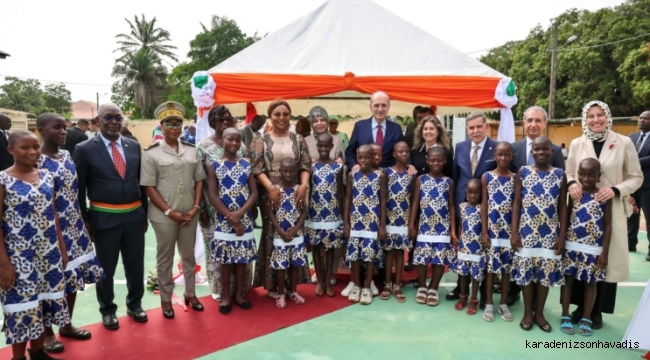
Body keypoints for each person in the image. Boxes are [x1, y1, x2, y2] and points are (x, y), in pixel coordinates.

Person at [565, 100, 642, 329]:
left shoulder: (624, 142)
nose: (596, 119)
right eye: (591, 116)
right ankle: (580, 307)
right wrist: (571, 184)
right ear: (584, 119)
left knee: (605, 260)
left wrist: (615, 190)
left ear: (608, 117)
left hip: (611, 210)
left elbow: (636, 176)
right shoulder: (578, 143)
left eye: (600, 115)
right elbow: (569, 172)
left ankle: (597, 311)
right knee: (581, 258)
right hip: (582, 213)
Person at [73, 103, 149, 330]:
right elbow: (80, 188)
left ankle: (135, 304)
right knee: (105, 268)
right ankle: (107, 309)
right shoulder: (84, 148)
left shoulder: (134, 146)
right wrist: (85, 220)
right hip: (104, 218)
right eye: (108, 118)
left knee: (135, 266)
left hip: (134, 216)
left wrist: (143, 212)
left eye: (118, 118)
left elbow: (140, 183)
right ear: (98, 121)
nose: (114, 122)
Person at [37, 113, 104, 353]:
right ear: (41, 130)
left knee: (73, 277)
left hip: (74, 225)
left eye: (64, 127)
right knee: (50, 281)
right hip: (49, 231)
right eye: (57, 128)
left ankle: (65, 324)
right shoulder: (36, 160)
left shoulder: (66, 155)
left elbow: (75, 191)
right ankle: (46, 334)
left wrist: (84, 220)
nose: (63, 131)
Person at [0, 130, 70, 360]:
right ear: (11, 150)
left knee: (44, 304)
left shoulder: (46, 176)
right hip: (19, 256)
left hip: (48, 254)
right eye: (25, 147)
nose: (32, 152)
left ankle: (38, 353)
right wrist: (4, 265)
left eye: (35, 147)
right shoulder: (3, 179)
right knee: (22, 307)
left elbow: (54, 216)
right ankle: (18, 358)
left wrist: (61, 249)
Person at [140, 101, 206, 319]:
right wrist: (170, 212)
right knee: (165, 258)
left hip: (189, 213)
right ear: (162, 126)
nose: (174, 127)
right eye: (169, 123)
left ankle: (191, 294)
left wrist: (196, 207)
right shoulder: (151, 154)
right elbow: (149, 187)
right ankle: (166, 299)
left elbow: (199, 181)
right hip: (164, 215)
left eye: (178, 122)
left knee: (188, 256)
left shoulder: (191, 150)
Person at [250, 100, 312, 298]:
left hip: (294, 191)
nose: (281, 118)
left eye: (285, 114)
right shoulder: (260, 139)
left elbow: (306, 165)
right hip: (271, 194)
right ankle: (272, 285)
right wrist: (270, 188)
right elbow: (257, 167)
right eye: (277, 114)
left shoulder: (298, 139)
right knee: (272, 234)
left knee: (293, 231)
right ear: (270, 116)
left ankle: (292, 286)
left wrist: (303, 186)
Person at [508, 106, 566, 305]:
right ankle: (514, 292)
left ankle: (537, 308)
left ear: (544, 124)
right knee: (522, 258)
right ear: (523, 123)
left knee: (543, 264)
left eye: (538, 120)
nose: (533, 124)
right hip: (522, 220)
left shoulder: (556, 151)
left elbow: (560, 193)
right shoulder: (512, 149)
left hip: (548, 225)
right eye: (529, 120)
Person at [511, 136, 567, 332]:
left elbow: (562, 206)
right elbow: (517, 203)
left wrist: (561, 236)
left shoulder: (560, 174)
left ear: (552, 152)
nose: (541, 152)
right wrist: (514, 232)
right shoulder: (523, 172)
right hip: (526, 232)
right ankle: (528, 312)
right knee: (526, 273)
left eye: (545, 149)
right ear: (531, 151)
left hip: (550, 233)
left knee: (545, 274)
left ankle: (540, 313)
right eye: (537, 149)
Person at [197, 105, 251, 301]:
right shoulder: (203, 147)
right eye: (222, 120)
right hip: (214, 211)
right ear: (213, 123)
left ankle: (240, 291)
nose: (226, 123)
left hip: (241, 209)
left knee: (240, 249)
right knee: (218, 253)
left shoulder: (242, 146)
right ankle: (222, 292)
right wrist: (201, 208)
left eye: (229, 119)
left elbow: (247, 178)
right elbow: (199, 180)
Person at [206, 128, 258, 314]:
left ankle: (239, 295)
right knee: (226, 260)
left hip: (244, 218)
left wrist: (241, 214)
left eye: (238, 140)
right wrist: (231, 217)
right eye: (230, 139)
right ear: (223, 140)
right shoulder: (214, 165)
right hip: (223, 218)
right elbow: (213, 196)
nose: (234, 143)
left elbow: (253, 193)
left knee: (242, 258)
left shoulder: (246, 164)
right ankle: (226, 296)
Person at [560, 158, 612, 336]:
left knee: (591, 283)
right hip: (571, 246)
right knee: (568, 281)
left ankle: (587, 317)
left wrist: (604, 253)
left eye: (591, 175)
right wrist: (562, 241)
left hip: (593, 250)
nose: (586, 178)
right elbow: (566, 219)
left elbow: (607, 225)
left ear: (599, 177)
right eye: (582, 174)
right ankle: (565, 314)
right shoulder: (574, 194)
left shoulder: (603, 196)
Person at [449, 112, 497, 301]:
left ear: (486, 126)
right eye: (471, 128)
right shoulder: (460, 147)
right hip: (464, 206)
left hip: (486, 209)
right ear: (467, 129)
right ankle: (461, 288)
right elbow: (456, 176)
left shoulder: (496, 148)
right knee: (463, 249)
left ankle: (484, 290)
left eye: (479, 126)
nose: (475, 131)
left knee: (483, 249)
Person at [409, 146, 457, 306]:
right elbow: (415, 202)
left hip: (442, 227)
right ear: (427, 161)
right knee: (422, 258)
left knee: (439, 259)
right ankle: (422, 287)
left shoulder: (448, 181)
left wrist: (452, 230)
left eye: (439, 160)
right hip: (424, 226)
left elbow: (451, 206)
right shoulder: (421, 179)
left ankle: (433, 288)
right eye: (432, 160)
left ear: (444, 161)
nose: (436, 163)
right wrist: (411, 224)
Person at [343, 145, 386, 305]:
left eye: (366, 157)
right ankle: (357, 285)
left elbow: (382, 200)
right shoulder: (352, 175)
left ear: (372, 158)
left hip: (372, 223)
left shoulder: (379, 176)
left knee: (369, 256)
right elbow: (348, 199)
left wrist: (382, 225)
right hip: (356, 222)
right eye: (360, 157)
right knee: (355, 255)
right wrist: (346, 222)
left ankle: (367, 286)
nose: (363, 160)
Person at [305, 132, 344, 297]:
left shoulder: (338, 167)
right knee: (316, 247)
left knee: (330, 248)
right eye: (319, 145)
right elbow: (310, 189)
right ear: (316, 146)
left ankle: (328, 280)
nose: (322, 148)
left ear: (331, 147)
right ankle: (319, 280)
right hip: (315, 213)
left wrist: (342, 215)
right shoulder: (311, 167)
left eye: (326, 146)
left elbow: (340, 192)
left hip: (332, 214)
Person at [480, 141, 515, 322]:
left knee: (506, 269)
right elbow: (484, 204)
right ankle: (488, 303)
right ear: (494, 156)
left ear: (512, 157)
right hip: (492, 230)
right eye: (500, 154)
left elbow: (517, 205)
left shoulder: (515, 178)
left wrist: (515, 232)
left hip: (508, 231)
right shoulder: (487, 177)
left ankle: (503, 304)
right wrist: (484, 231)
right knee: (490, 269)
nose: (503, 158)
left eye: (507, 154)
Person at [269, 158, 310, 308]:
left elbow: (304, 211)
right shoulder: (275, 190)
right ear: (280, 171)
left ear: (296, 172)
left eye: (292, 171)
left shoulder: (299, 189)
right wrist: (280, 231)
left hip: (296, 235)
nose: (288, 174)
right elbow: (271, 213)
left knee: (294, 265)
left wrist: (295, 230)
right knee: (281, 266)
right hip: (280, 236)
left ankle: (293, 291)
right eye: (285, 170)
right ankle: (281, 293)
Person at [380, 141, 414, 303]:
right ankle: (387, 284)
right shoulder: (386, 172)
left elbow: (413, 199)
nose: (404, 154)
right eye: (400, 151)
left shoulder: (411, 174)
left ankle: (397, 285)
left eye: (406, 151)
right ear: (394, 154)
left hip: (403, 218)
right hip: (389, 217)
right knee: (388, 252)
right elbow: (383, 197)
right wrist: (382, 222)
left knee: (400, 252)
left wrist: (411, 223)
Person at [346, 91, 407, 169]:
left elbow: (403, 151)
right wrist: (354, 165)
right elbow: (350, 152)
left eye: (384, 105)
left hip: (389, 175)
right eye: (376, 105)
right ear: (370, 107)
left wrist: (409, 165)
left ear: (388, 106)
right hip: (365, 174)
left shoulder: (396, 128)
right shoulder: (360, 126)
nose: (380, 109)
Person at [451, 178, 485, 315]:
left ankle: (473, 299)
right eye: (470, 192)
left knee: (476, 275)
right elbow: (461, 225)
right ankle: (463, 296)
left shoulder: (483, 207)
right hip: (464, 245)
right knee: (463, 273)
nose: (472, 196)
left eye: (476, 193)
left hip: (477, 246)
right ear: (466, 193)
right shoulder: (463, 206)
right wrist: (458, 240)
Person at [627, 110, 650, 260]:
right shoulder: (630, 138)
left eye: (645, 118)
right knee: (631, 215)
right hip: (631, 183)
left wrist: (634, 163)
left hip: (648, 185)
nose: (641, 120)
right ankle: (630, 243)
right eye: (640, 117)